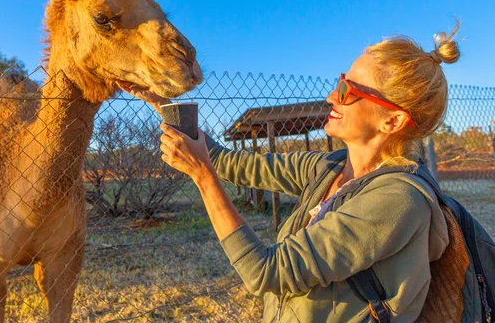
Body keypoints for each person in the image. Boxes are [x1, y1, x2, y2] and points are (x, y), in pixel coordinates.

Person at [117, 23, 460, 322]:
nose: (331, 96)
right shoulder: (330, 167)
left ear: (392, 120)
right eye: (340, 81)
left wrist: (202, 177)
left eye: (348, 91)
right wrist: (161, 102)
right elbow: (227, 161)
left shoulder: (397, 201)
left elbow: (265, 272)